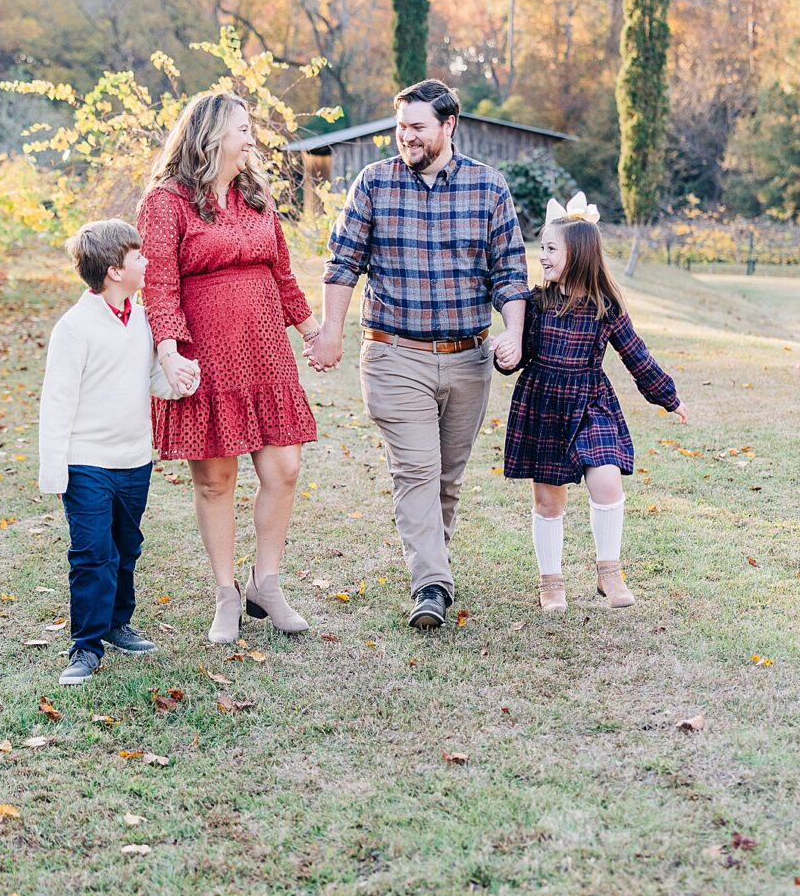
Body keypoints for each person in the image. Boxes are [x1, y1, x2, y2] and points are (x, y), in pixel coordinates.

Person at [309, 79, 527, 627]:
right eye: (400, 127)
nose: (405, 137)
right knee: (417, 469)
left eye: (417, 127)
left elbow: (510, 273)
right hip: (393, 354)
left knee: (447, 477)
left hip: (468, 356)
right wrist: (331, 329)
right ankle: (430, 583)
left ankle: (434, 562)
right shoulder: (374, 184)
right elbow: (343, 262)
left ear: (448, 125)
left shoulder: (488, 188)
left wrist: (516, 334)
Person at [138, 92, 319, 647]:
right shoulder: (166, 202)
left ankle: (268, 584)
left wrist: (312, 332)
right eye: (243, 129)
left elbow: (283, 275)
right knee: (216, 479)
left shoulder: (257, 197)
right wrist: (169, 351)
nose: (251, 139)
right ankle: (226, 593)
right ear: (212, 134)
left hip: (265, 348)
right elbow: (159, 284)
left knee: (283, 468)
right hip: (206, 354)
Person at [501, 195, 688, 613]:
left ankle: (609, 572)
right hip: (545, 406)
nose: (542, 256)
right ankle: (550, 581)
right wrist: (504, 355)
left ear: (578, 254)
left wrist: (667, 395)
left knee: (607, 481)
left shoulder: (605, 307)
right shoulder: (536, 303)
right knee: (549, 500)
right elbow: (520, 357)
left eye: (551, 249)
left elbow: (635, 353)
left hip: (590, 402)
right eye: (542, 247)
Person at [38, 217, 166, 686]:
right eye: (138, 256)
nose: (146, 261)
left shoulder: (143, 319)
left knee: (126, 547)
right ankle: (86, 645)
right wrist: (55, 472)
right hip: (87, 462)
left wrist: (179, 376)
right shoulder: (74, 328)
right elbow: (57, 402)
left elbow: (149, 379)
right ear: (115, 269)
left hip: (135, 459)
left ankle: (117, 622)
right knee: (93, 553)